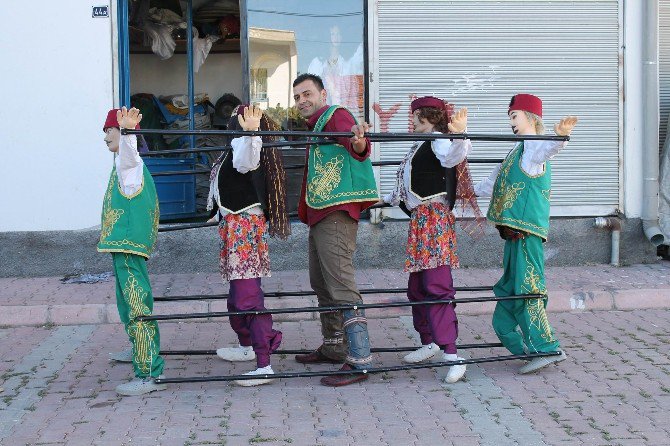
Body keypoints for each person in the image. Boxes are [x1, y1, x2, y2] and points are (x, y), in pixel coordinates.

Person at [474, 93, 578, 374]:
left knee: (528, 289)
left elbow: (547, 150)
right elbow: (488, 184)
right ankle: (529, 350)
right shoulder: (515, 153)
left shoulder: (533, 148)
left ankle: (547, 348)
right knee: (509, 294)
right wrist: (458, 192)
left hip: (526, 235)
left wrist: (559, 137)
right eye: (510, 118)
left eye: (515, 117)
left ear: (530, 117)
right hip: (511, 236)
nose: (512, 123)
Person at [383, 96, 478, 383]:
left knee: (436, 285)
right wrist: (387, 199)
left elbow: (452, 157)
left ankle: (452, 353)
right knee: (417, 286)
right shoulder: (421, 143)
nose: (410, 121)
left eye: (414, 116)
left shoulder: (438, 139)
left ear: (425, 117)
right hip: (420, 220)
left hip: (434, 219)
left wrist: (460, 134)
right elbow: (409, 181)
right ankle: (430, 341)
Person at [292, 73, 378, 386]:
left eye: (307, 94)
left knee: (340, 283)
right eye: (297, 97)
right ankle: (334, 347)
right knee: (322, 282)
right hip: (322, 212)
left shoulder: (335, 115)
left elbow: (355, 143)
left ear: (323, 93)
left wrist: (358, 141)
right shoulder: (317, 124)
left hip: (336, 213)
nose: (302, 101)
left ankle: (359, 360)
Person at [206, 104, 290, 386]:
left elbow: (247, 161)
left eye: (236, 117)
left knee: (247, 297)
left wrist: (252, 133)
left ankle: (264, 359)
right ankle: (247, 345)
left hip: (244, 230)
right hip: (233, 227)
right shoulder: (234, 145)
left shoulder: (246, 146)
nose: (231, 120)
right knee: (236, 297)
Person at [98, 107, 166, 396]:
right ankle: (137, 349)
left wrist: (127, 133)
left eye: (109, 131)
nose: (105, 137)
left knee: (137, 305)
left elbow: (129, 153)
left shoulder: (130, 165)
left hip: (129, 247)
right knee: (127, 304)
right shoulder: (124, 168)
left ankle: (148, 370)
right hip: (122, 248)